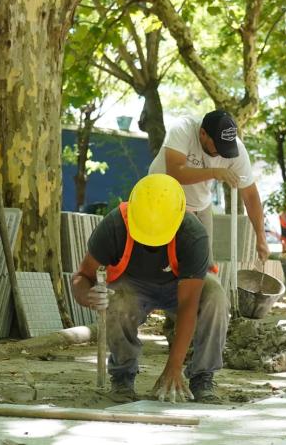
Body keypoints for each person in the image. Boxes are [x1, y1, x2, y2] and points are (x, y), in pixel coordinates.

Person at [72, 174, 229, 403]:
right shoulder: (115, 225)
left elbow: (188, 305)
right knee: (118, 299)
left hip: (180, 287)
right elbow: (82, 276)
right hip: (133, 287)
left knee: (215, 295)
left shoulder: (193, 234)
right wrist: (88, 296)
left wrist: (173, 368)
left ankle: (202, 377)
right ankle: (123, 378)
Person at [148, 109, 270, 265]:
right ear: (203, 133)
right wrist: (213, 172)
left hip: (200, 204)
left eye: (226, 147)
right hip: (161, 197)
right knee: (165, 262)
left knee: (205, 263)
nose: (221, 152)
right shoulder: (183, 128)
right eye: (218, 145)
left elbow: (250, 195)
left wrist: (261, 236)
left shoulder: (237, 151)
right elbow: (175, 173)